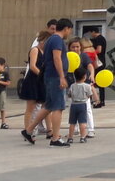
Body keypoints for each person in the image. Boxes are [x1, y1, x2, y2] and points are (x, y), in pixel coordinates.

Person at [43, 18, 74, 147]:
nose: (69, 33)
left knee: (49, 106)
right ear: (66, 28)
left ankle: (28, 130)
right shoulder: (56, 40)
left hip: (51, 76)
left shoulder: (51, 39)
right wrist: (62, 76)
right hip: (55, 77)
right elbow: (57, 58)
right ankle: (55, 137)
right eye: (70, 30)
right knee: (58, 107)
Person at [20, 30, 50, 144]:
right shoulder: (35, 50)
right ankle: (28, 131)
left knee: (46, 106)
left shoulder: (44, 51)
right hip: (33, 81)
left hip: (40, 81)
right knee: (30, 108)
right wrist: (42, 76)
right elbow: (32, 66)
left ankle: (49, 130)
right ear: (42, 40)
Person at [67, 38, 96, 138]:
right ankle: (75, 129)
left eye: (77, 47)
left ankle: (91, 129)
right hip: (73, 85)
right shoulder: (67, 57)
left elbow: (90, 66)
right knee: (73, 108)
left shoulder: (83, 56)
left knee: (87, 108)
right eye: (73, 47)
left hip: (84, 85)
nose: (75, 49)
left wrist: (92, 74)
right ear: (69, 48)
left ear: (81, 47)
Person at [66, 68, 94, 144]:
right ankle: (82, 137)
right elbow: (89, 95)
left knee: (72, 123)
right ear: (85, 76)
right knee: (82, 122)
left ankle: (70, 138)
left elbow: (69, 95)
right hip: (82, 105)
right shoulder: (87, 86)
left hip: (74, 105)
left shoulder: (72, 86)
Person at [89, 29, 108, 107]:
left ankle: (97, 100)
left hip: (98, 62)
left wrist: (91, 53)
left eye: (91, 33)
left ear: (93, 32)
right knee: (100, 81)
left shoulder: (99, 39)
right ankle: (101, 100)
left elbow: (99, 50)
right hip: (101, 61)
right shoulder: (102, 38)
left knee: (95, 80)